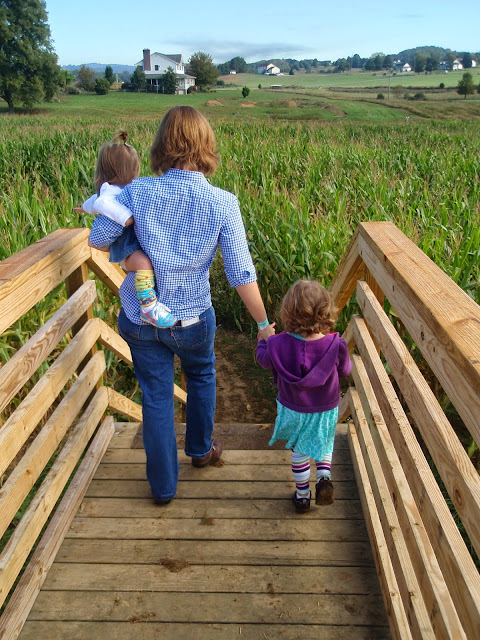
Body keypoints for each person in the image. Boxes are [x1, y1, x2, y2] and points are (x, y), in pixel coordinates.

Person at [88, 106, 275, 504]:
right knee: (202, 377)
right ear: (205, 147)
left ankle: (163, 487)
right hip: (192, 318)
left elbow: (99, 239)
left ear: (162, 145)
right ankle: (200, 450)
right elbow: (241, 274)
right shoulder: (223, 203)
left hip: (141, 318)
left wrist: (125, 226)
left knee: (156, 396)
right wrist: (263, 324)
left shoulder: (136, 191)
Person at [256, 280, 352, 514]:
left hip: (293, 410)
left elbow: (263, 360)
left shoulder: (277, 344)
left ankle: (302, 496)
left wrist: (262, 339)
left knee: (299, 451)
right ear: (325, 312)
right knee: (324, 441)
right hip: (326, 408)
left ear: (289, 312)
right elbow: (345, 371)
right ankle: (324, 477)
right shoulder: (335, 345)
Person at [80, 130, 176, 328]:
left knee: (147, 262)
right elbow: (101, 204)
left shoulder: (127, 188)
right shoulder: (109, 190)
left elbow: (92, 203)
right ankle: (149, 308)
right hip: (125, 246)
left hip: (133, 243)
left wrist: (84, 207)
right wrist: (126, 218)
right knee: (144, 263)